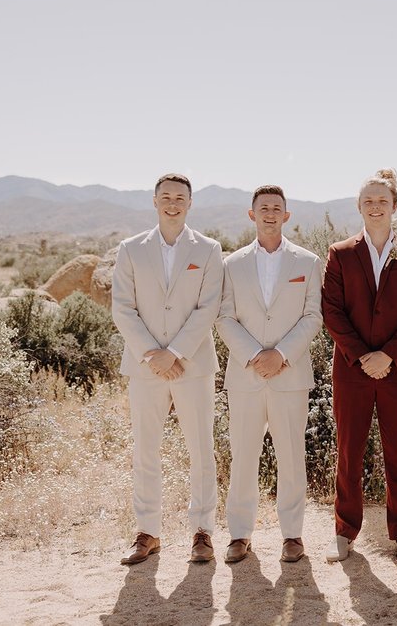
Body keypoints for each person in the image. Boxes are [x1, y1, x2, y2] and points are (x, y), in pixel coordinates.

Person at [111, 173, 223, 565]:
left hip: (193, 365)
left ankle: (202, 532)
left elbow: (208, 307)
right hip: (145, 368)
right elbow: (123, 308)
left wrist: (174, 352)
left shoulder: (209, 249)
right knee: (145, 449)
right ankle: (147, 533)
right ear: (154, 201)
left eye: (180, 197)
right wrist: (152, 354)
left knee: (201, 450)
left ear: (190, 203)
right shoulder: (130, 249)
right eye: (166, 197)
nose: (173, 203)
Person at [321, 168, 397, 564]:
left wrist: (389, 355)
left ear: (394, 206)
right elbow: (331, 310)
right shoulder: (341, 252)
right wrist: (361, 355)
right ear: (359, 207)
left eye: (382, 200)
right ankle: (344, 532)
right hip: (351, 369)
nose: (375, 206)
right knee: (348, 452)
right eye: (368, 201)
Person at [217, 185, 322, 564]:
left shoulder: (308, 262)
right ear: (252, 214)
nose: (270, 213)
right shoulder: (231, 264)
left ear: (287, 215)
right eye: (264, 208)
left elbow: (313, 316)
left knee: (291, 455)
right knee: (243, 454)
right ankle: (239, 534)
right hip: (245, 375)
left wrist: (280, 354)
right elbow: (224, 316)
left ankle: (292, 535)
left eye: (277, 208)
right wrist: (254, 356)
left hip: (289, 374)